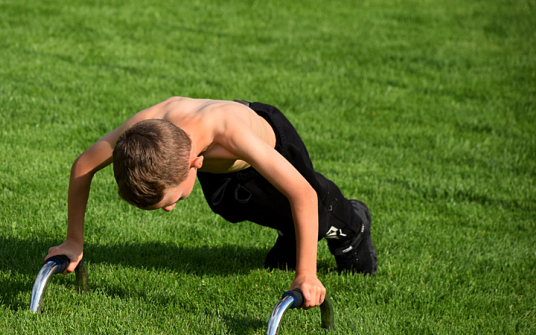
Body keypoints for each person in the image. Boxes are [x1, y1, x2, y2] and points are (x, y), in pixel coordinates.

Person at [44, 97, 377, 309]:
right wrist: (74, 241)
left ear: (194, 164)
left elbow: (302, 193)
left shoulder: (230, 133)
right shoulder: (143, 133)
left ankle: (354, 225)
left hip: (270, 146)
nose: (170, 210)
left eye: (167, 203)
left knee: (315, 211)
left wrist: (306, 274)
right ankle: (290, 231)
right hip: (224, 164)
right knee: (228, 205)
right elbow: (84, 165)